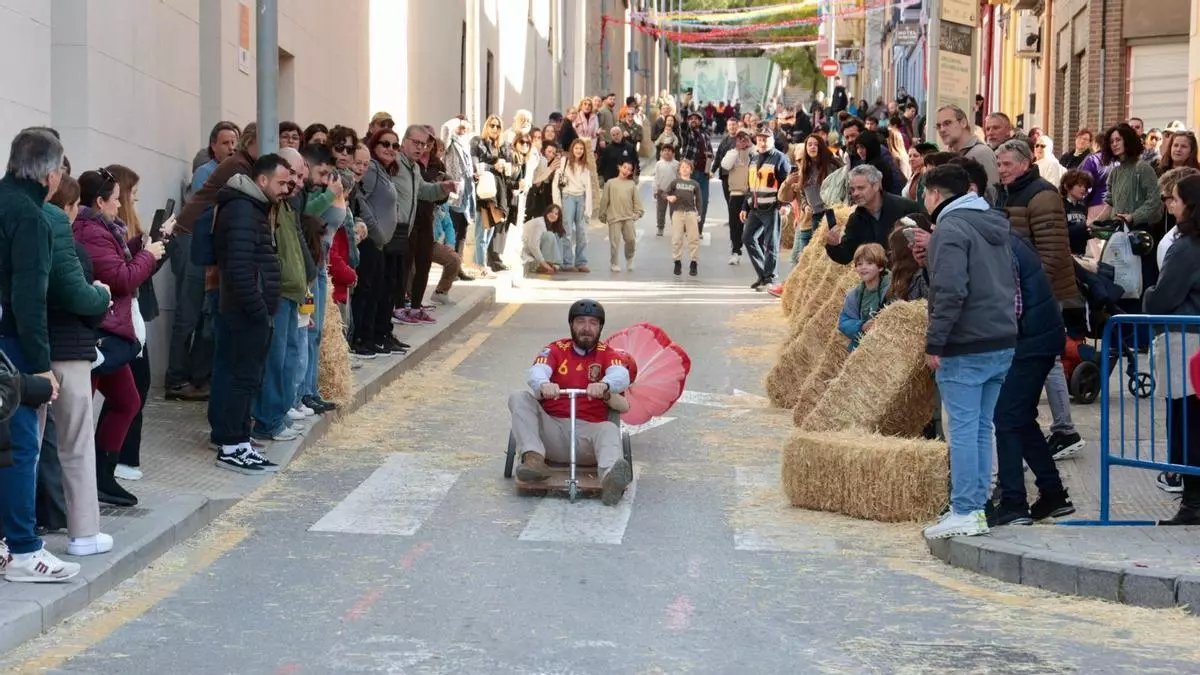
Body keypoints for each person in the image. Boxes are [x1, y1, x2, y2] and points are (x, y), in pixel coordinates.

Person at [921, 164, 1018, 540]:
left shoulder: (950, 229)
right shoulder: (992, 224)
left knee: (961, 429)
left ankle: (964, 508)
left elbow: (949, 290)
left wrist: (935, 341)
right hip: (1000, 338)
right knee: (980, 427)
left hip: (966, 341)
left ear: (936, 195)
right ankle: (975, 507)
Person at [0, 128, 75, 581]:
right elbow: (30, 299)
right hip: (12, 343)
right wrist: (42, 367)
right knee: (20, 445)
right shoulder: (32, 217)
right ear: (50, 174)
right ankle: (25, 550)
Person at [507, 299, 633, 506]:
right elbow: (537, 370)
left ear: (600, 327)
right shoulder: (555, 349)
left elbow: (621, 375)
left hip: (589, 437)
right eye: (580, 322)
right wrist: (543, 384)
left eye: (593, 323)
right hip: (551, 431)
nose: (586, 328)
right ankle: (534, 460)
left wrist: (604, 385)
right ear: (571, 325)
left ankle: (610, 478)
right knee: (519, 397)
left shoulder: (608, 354)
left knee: (609, 429)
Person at [209, 154, 290, 474]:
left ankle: (239, 441)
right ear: (262, 181)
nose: (287, 188)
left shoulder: (252, 208)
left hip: (247, 310)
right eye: (281, 182)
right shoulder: (243, 210)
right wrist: (259, 311)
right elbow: (241, 270)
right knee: (240, 379)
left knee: (243, 378)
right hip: (244, 312)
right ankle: (232, 445)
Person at [990, 231, 1076, 527]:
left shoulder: (997, 244)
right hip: (1038, 336)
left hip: (1028, 340)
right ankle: (1053, 493)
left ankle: (1014, 503)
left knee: (1006, 417)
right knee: (1021, 418)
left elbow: (1010, 306)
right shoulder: (1005, 237)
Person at [1144, 174, 1200, 524]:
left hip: (1188, 341)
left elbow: (1163, 298)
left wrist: (1148, 294)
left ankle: (1193, 503)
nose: (1171, 205)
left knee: (1188, 422)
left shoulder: (1186, 246)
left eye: (1176, 199)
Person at [825, 165, 920, 265]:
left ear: (876, 186)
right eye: (852, 189)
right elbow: (846, 256)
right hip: (881, 278)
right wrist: (833, 245)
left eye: (860, 188)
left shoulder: (906, 208)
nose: (855, 193)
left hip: (908, 274)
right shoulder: (856, 219)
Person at [741, 126, 792, 290]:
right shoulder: (754, 158)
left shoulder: (780, 159)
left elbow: (787, 185)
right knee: (747, 238)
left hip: (771, 207)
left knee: (771, 244)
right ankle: (763, 275)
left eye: (766, 139)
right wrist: (744, 207)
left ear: (772, 140)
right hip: (755, 207)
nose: (762, 142)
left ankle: (770, 278)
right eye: (760, 139)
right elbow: (750, 185)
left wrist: (786, 204)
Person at [837, 243, 891, 351]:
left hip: (887, 348)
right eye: (859, 264)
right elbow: (844, 322)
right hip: (864, 350)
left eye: (870, 263)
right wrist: (861, 326)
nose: (863, 267)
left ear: (880, 267)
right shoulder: (855, 295)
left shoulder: (892, 289)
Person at [597, 159, 643, 273]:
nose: (626, 170)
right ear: (619, 167)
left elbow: (637, 201)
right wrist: (602, 214)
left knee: (631, 240)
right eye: (625, 167)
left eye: (629, 169)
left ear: (631, 172)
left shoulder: (631, 184)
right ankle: (614, 263)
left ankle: (630, 257)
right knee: (614, 242)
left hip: (628, 217)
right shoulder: (610, 183)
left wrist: (638, 213)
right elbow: (605, 200)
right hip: (614, 217)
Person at [665, 159, 703, 277]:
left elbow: (699, 201)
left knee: (693, 239)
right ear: (679, 170)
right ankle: (677, 262)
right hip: (678, 212)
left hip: (691, 213)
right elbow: (664, 193)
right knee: (677, 239)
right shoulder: (675, 182)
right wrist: (668, 197)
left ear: (691, 170)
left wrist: (699, 213)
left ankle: (694, 262)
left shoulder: (695, 184)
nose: (685, 169)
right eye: (682, 167)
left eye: (687, 167)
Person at [521, 204, 566, 275]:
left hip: (532, 249)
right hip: (524, 248)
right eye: (551, 212)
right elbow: (533, 245)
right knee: (549, 235)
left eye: (556, 214)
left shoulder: (548, 225)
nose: (553, 215)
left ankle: (554, 264)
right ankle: (546, 265)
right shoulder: (540, 223)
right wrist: (544, 263)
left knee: (556, 235)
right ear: (546, 212)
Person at [653, 144, 680, 237]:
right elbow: (656, 178)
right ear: (661, 153)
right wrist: (655, 190)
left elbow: (679, 177)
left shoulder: (676, 164)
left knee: (674, 211)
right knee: (660, 210)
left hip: (673, 191)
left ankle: (676, 228)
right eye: (665, 150)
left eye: (669, 151)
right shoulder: (658, 164)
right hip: (662, 191)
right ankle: (660, 227)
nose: (667, 152)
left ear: (673, 153)